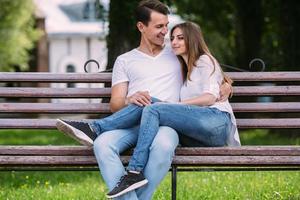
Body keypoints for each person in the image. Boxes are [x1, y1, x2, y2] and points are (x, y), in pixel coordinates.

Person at [56, 1, 232, 199]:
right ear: (141, 27)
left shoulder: (176, 51)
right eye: (159, 27)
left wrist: (226, 86)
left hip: (169, 124)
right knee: (102, 145)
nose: (165, 32)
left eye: (166, 25)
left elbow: (207, 70)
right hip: (132, 122)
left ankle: (96, 129)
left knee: (163, 144)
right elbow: (115, 104)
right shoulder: (125, 60)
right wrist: (131, 98)